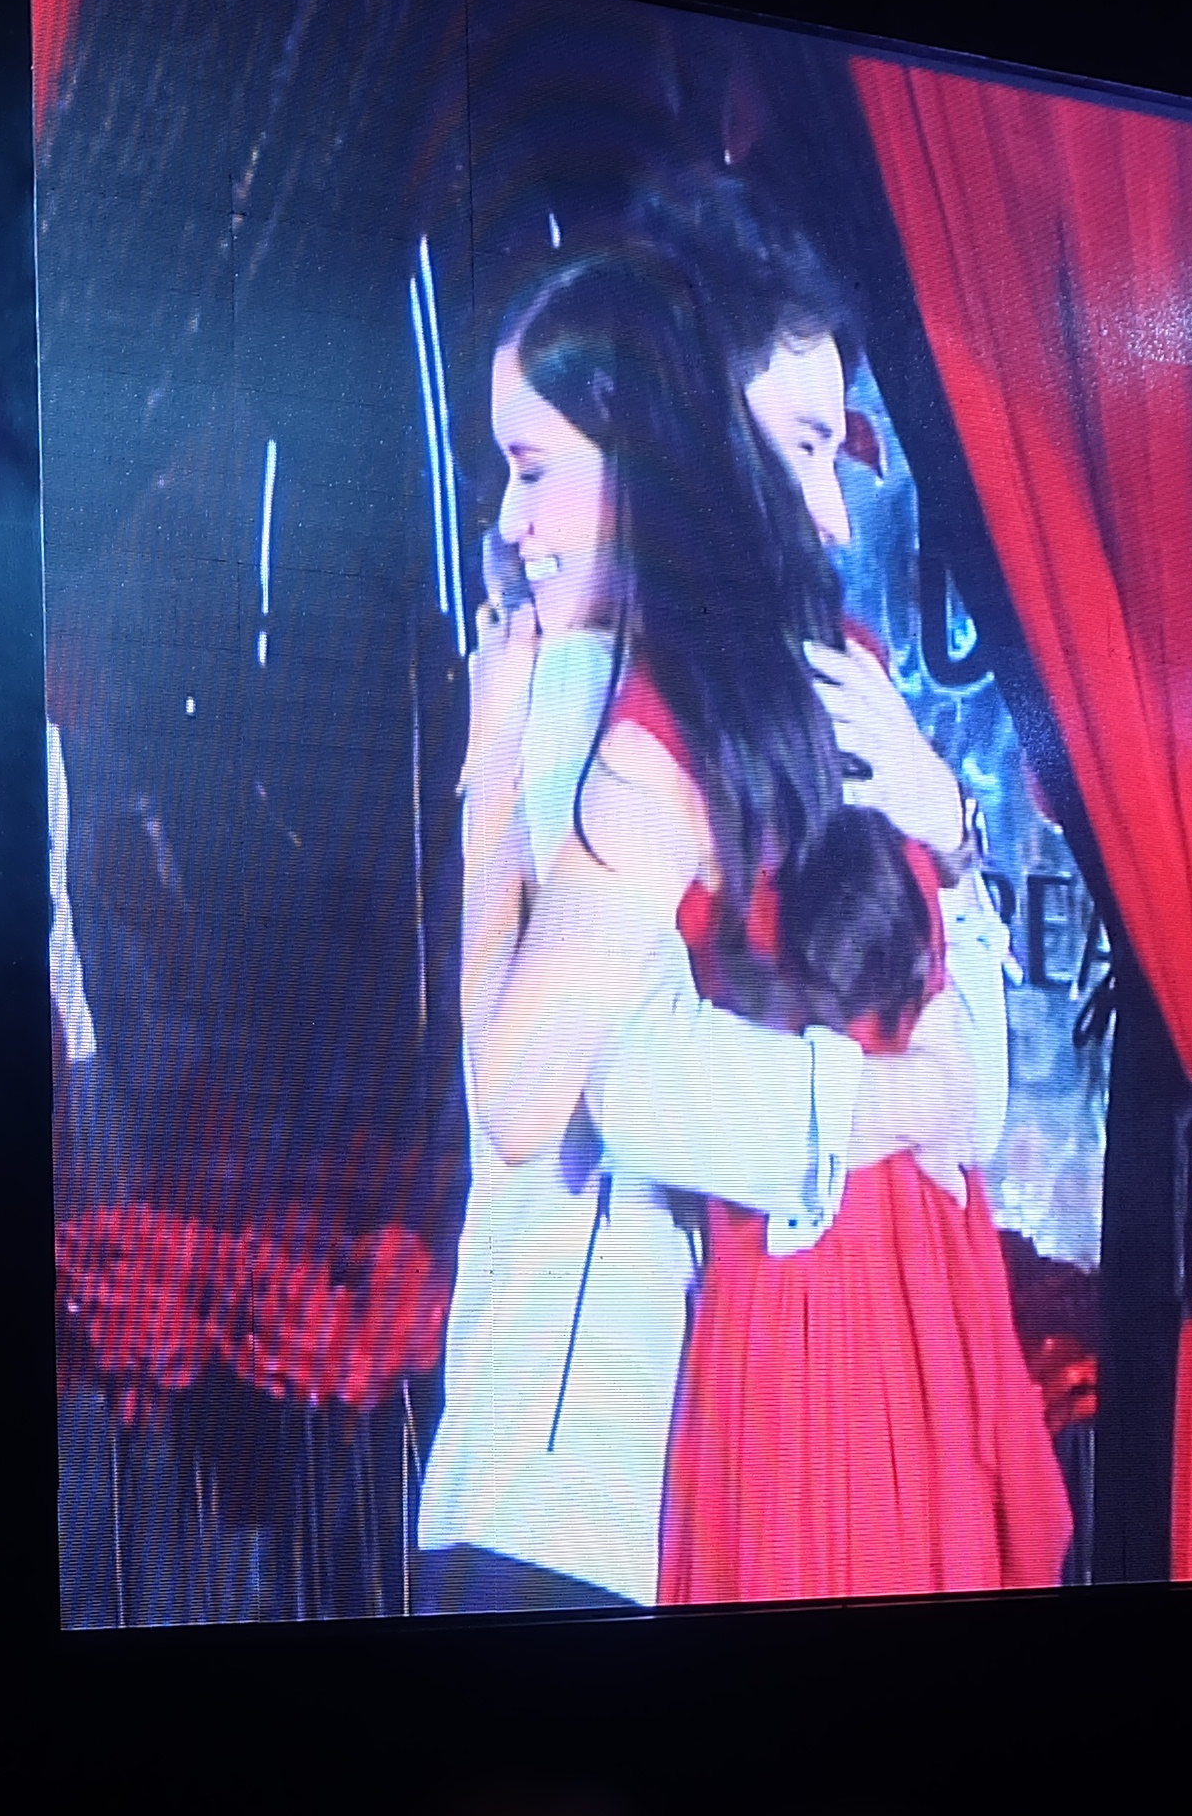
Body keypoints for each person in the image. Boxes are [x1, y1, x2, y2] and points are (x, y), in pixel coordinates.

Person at [416, 211, 995, 1617]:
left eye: (532, 472)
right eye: (805, 447)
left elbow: (968, 1073)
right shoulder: (605, 700)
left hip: (653, 1450)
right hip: (604, 1457)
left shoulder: (749, 699)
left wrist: (956, 835)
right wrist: (902, 1100)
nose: (508, 525)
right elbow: (566, 1088)